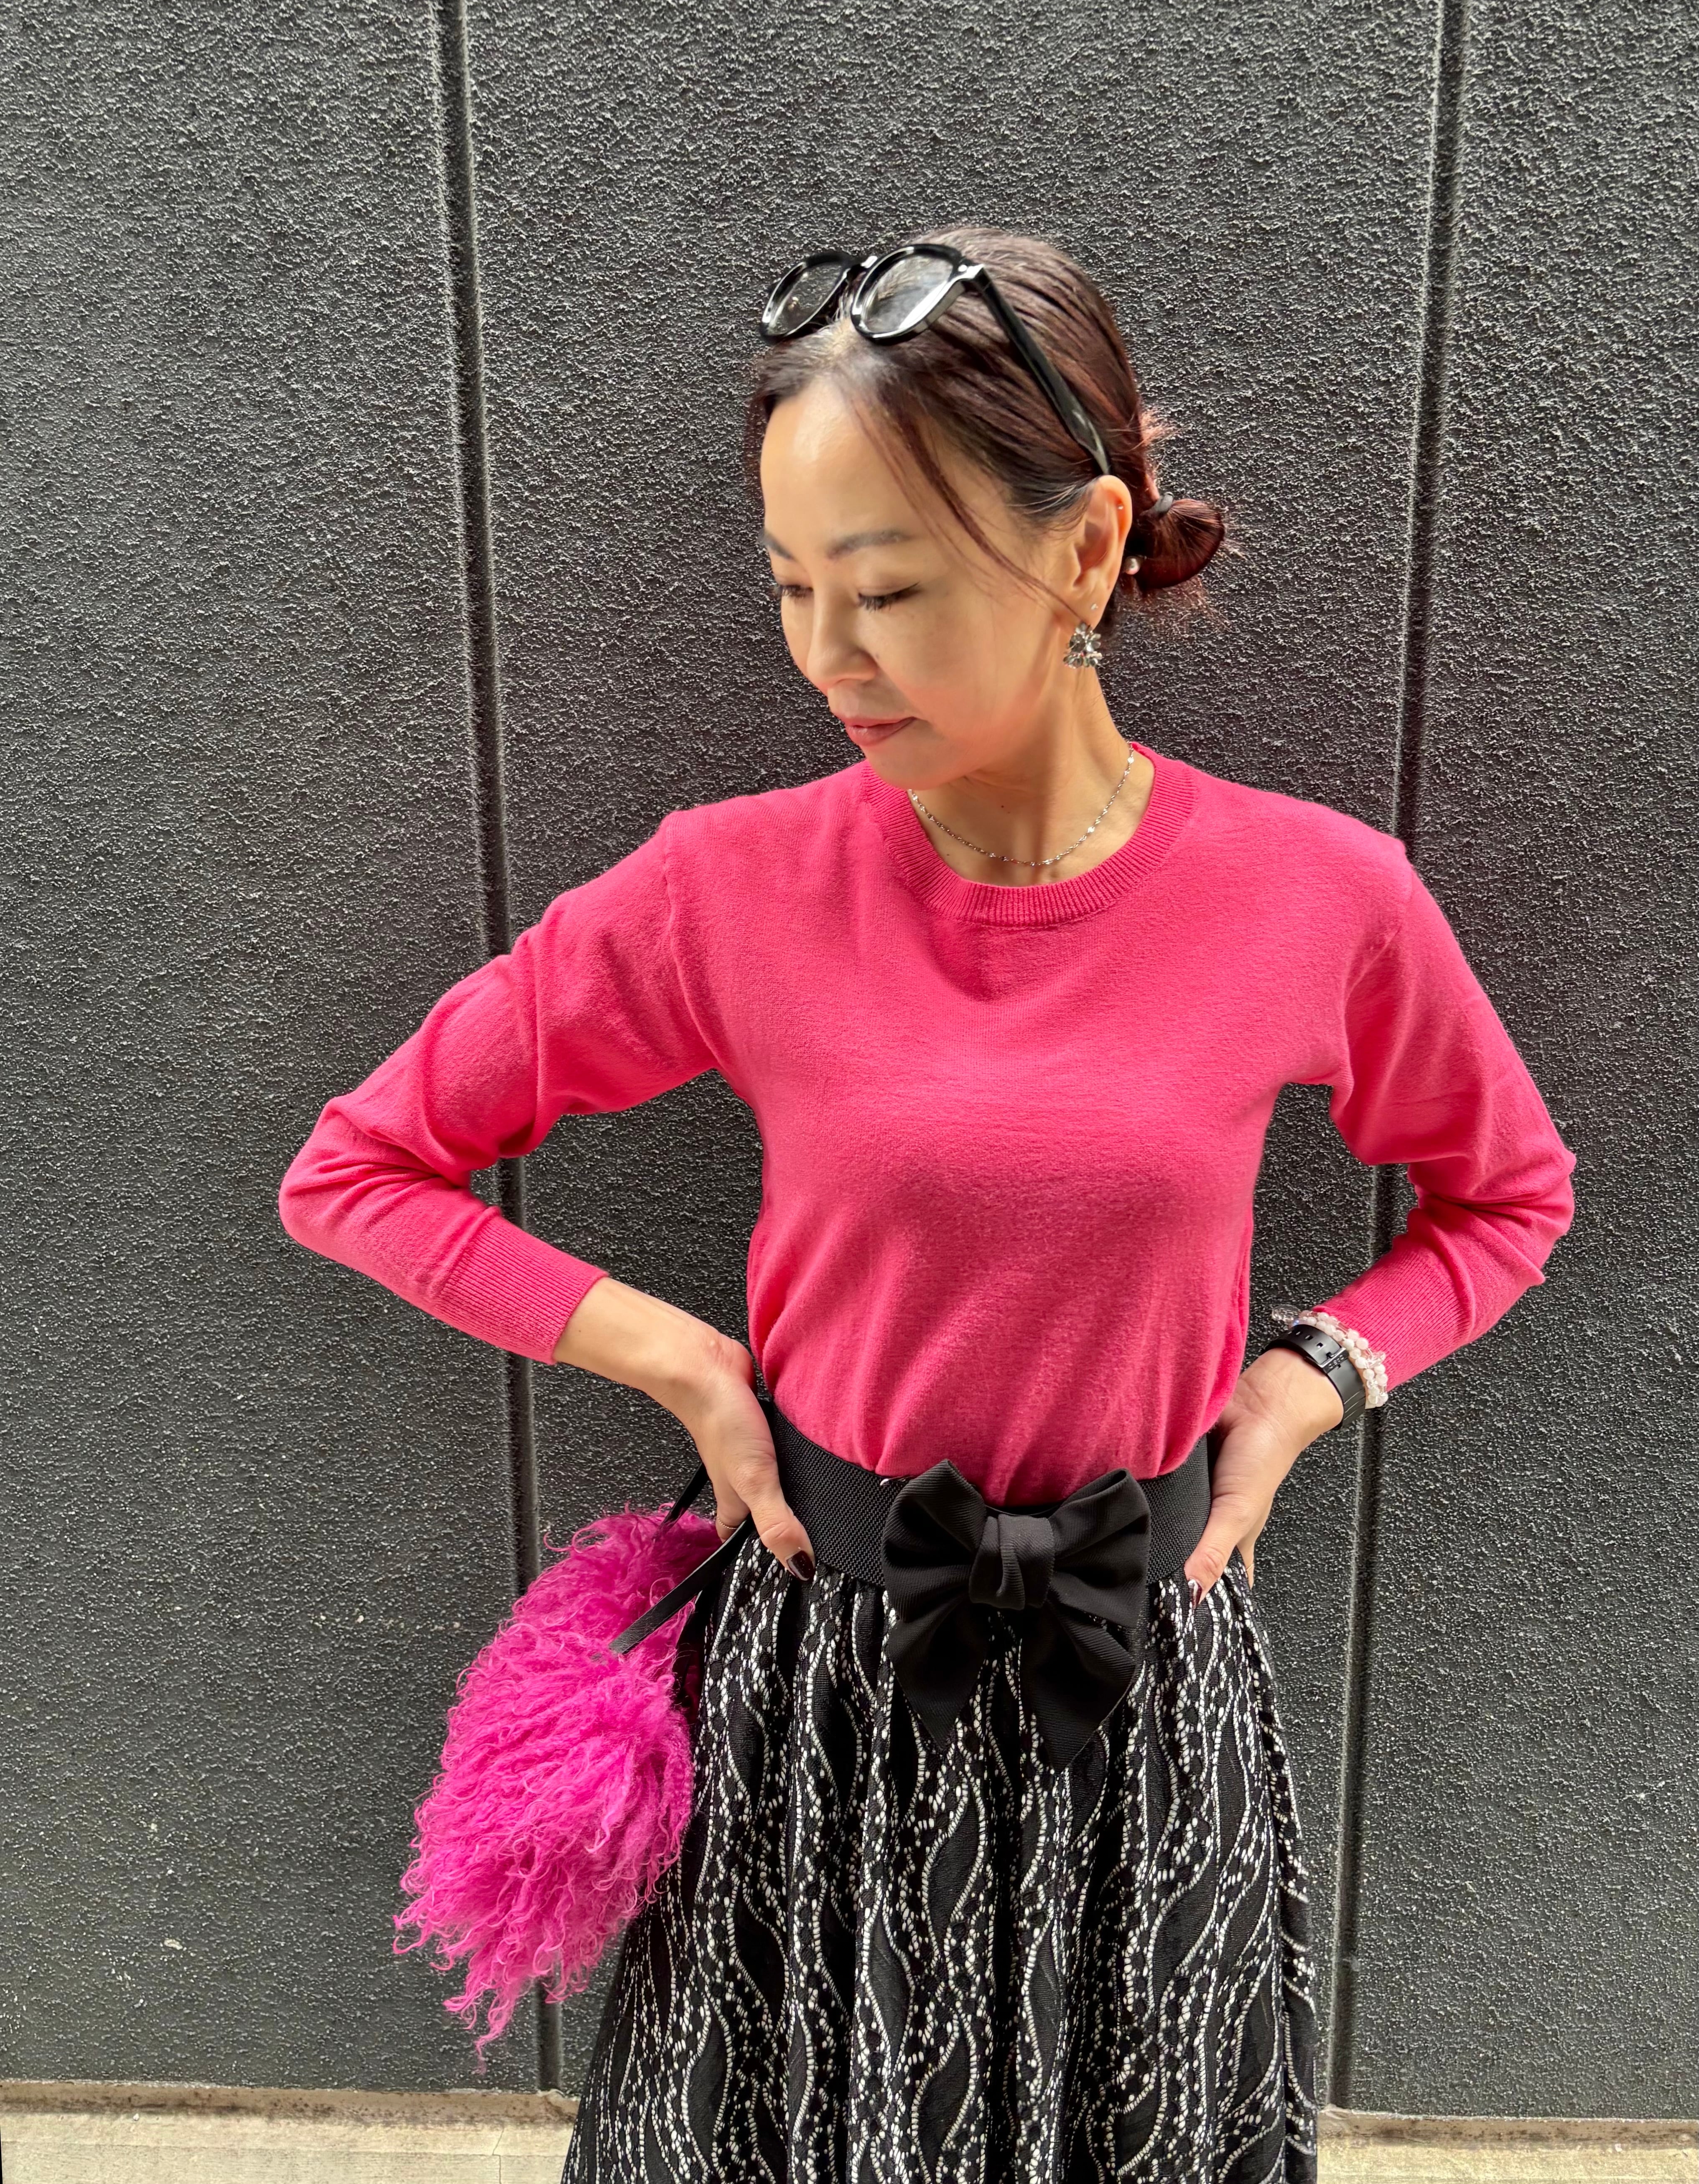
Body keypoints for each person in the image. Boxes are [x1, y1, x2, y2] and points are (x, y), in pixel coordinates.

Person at [277, 223, 1577, 2183]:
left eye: (886, 588)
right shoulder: (727, 885)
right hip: (820, 1694)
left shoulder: (1321, 895)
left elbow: (1506, 1195)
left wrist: (1312, 1377)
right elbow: (358, 1168)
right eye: (793, 585)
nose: (828, 653)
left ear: (1085, 549)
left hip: (1146, 1690)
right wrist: (686, 1364)